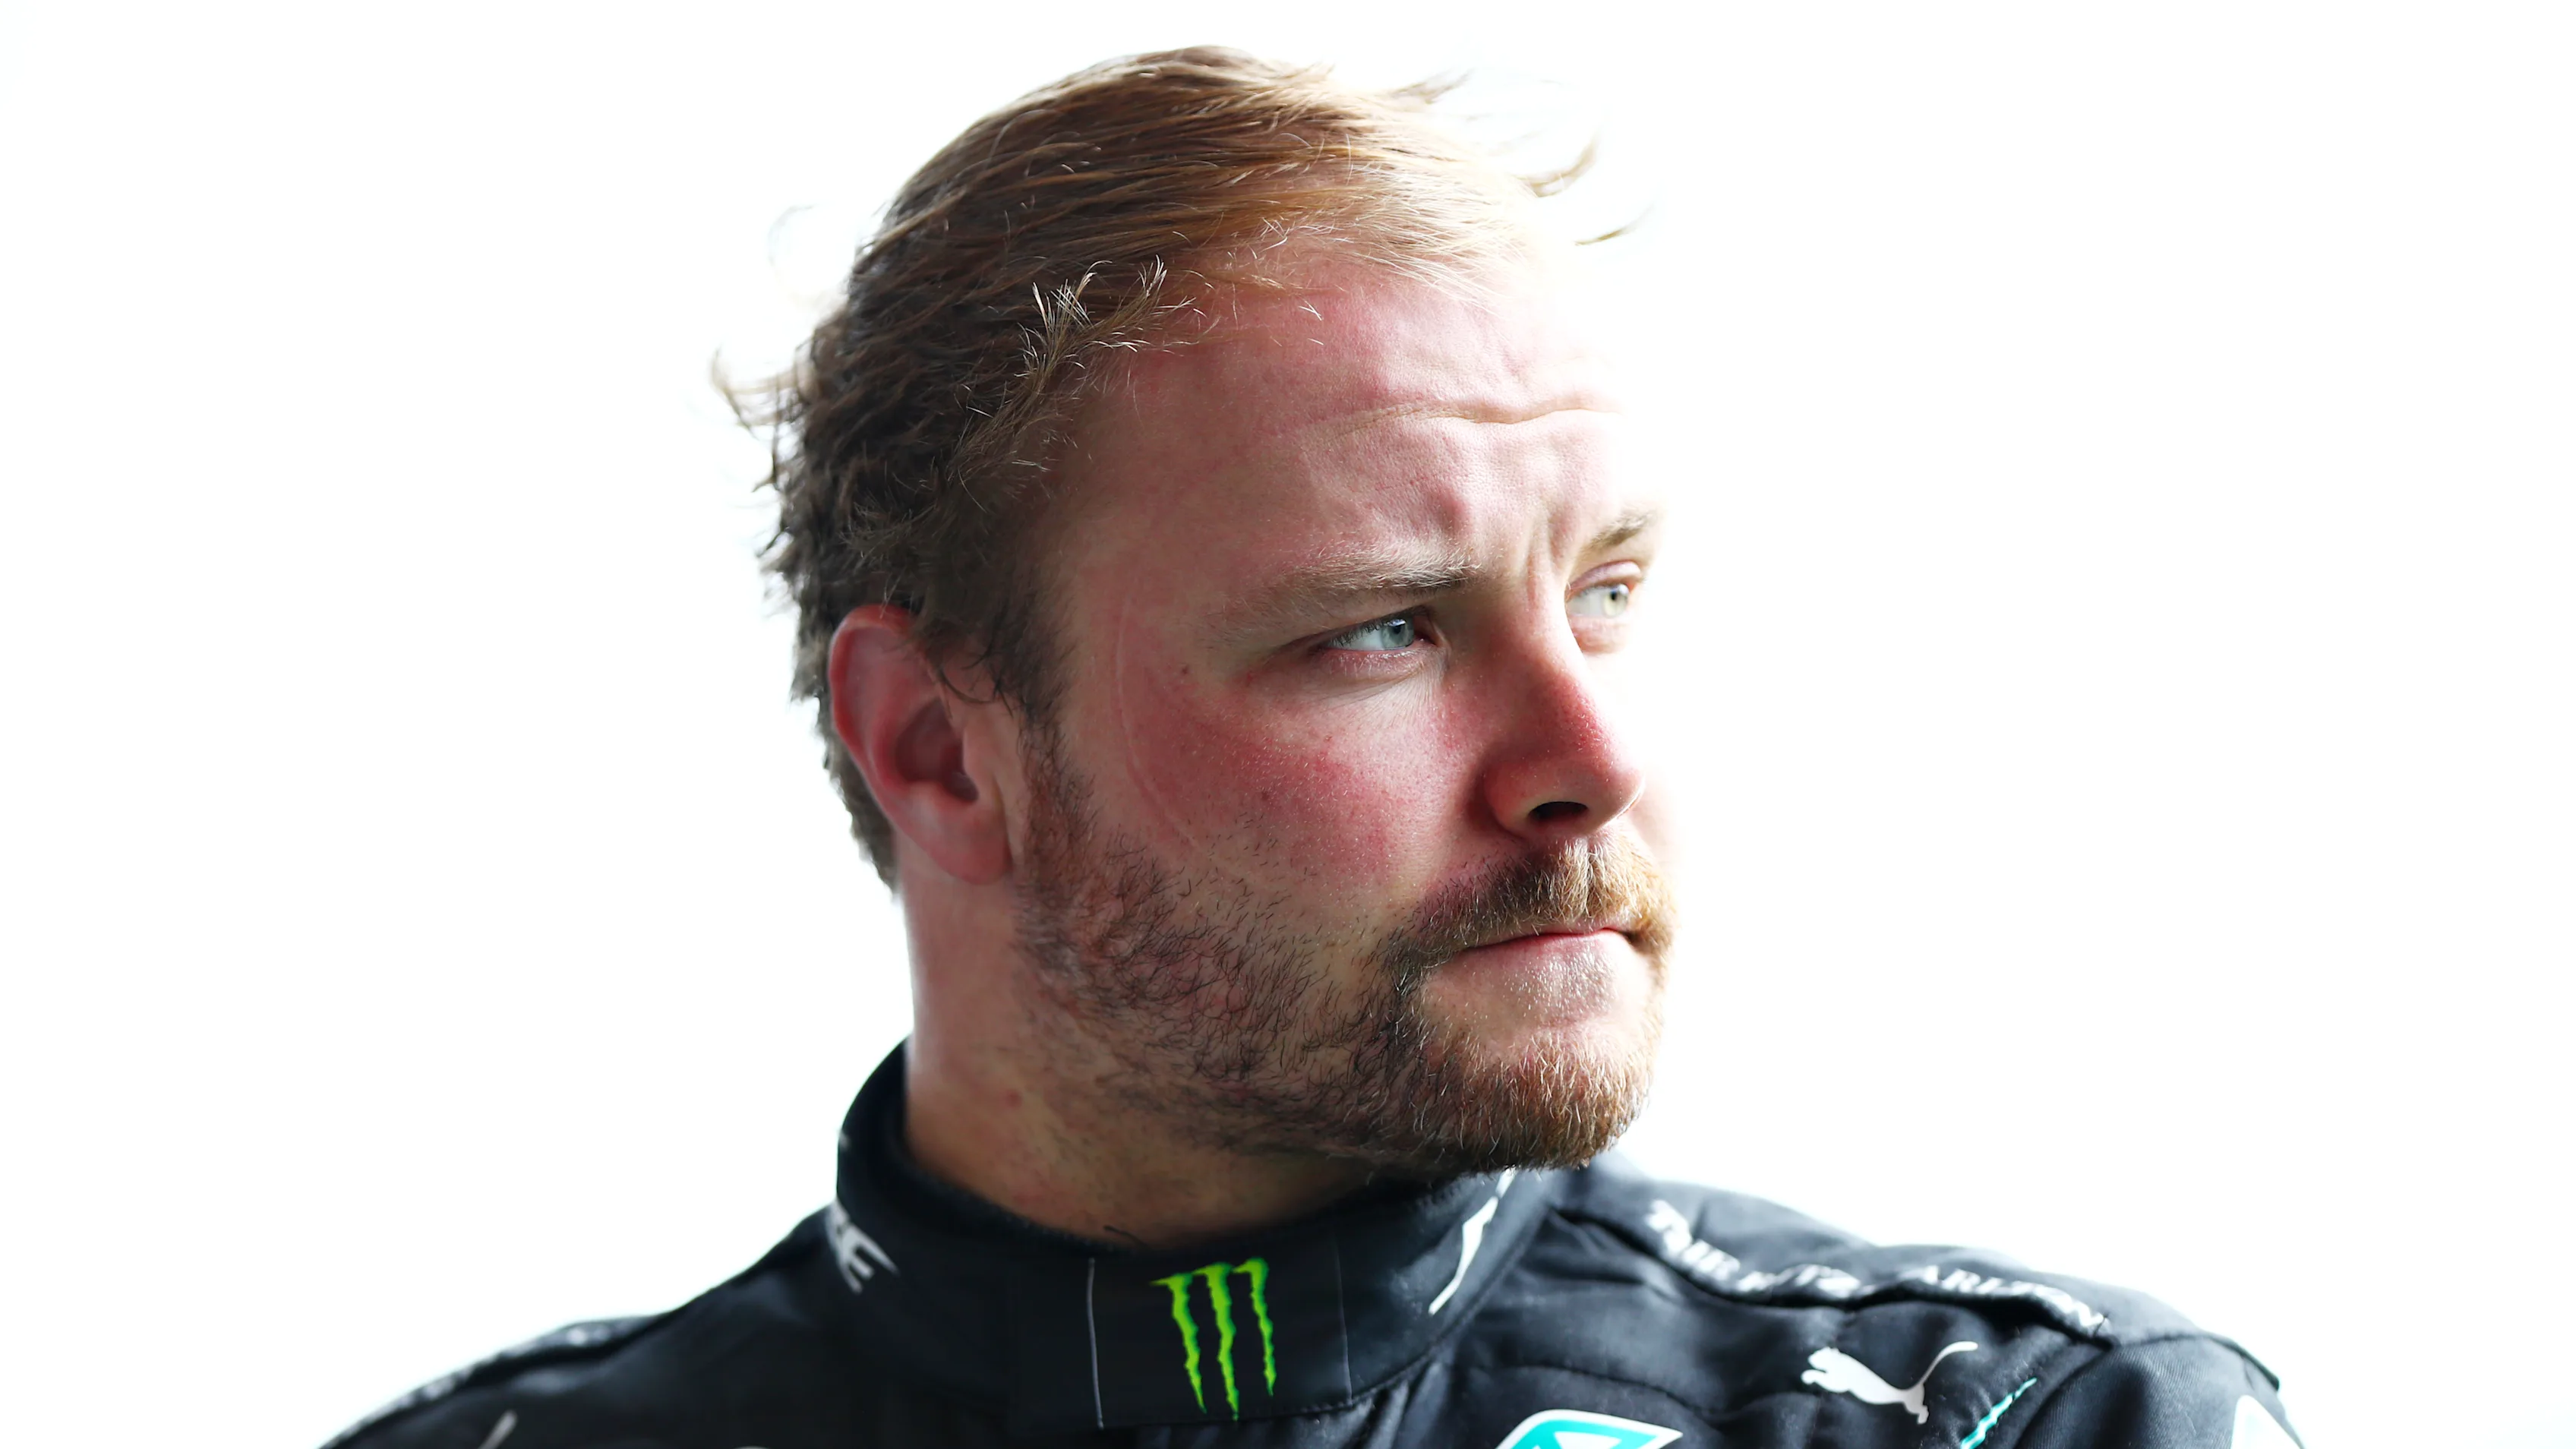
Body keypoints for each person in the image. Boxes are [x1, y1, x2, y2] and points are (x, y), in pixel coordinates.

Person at [327, 47, 2301, 1449]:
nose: (1590, 756)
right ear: (938, 746)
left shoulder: (2042, 1428)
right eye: (1384, 628)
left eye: (1606, 591)